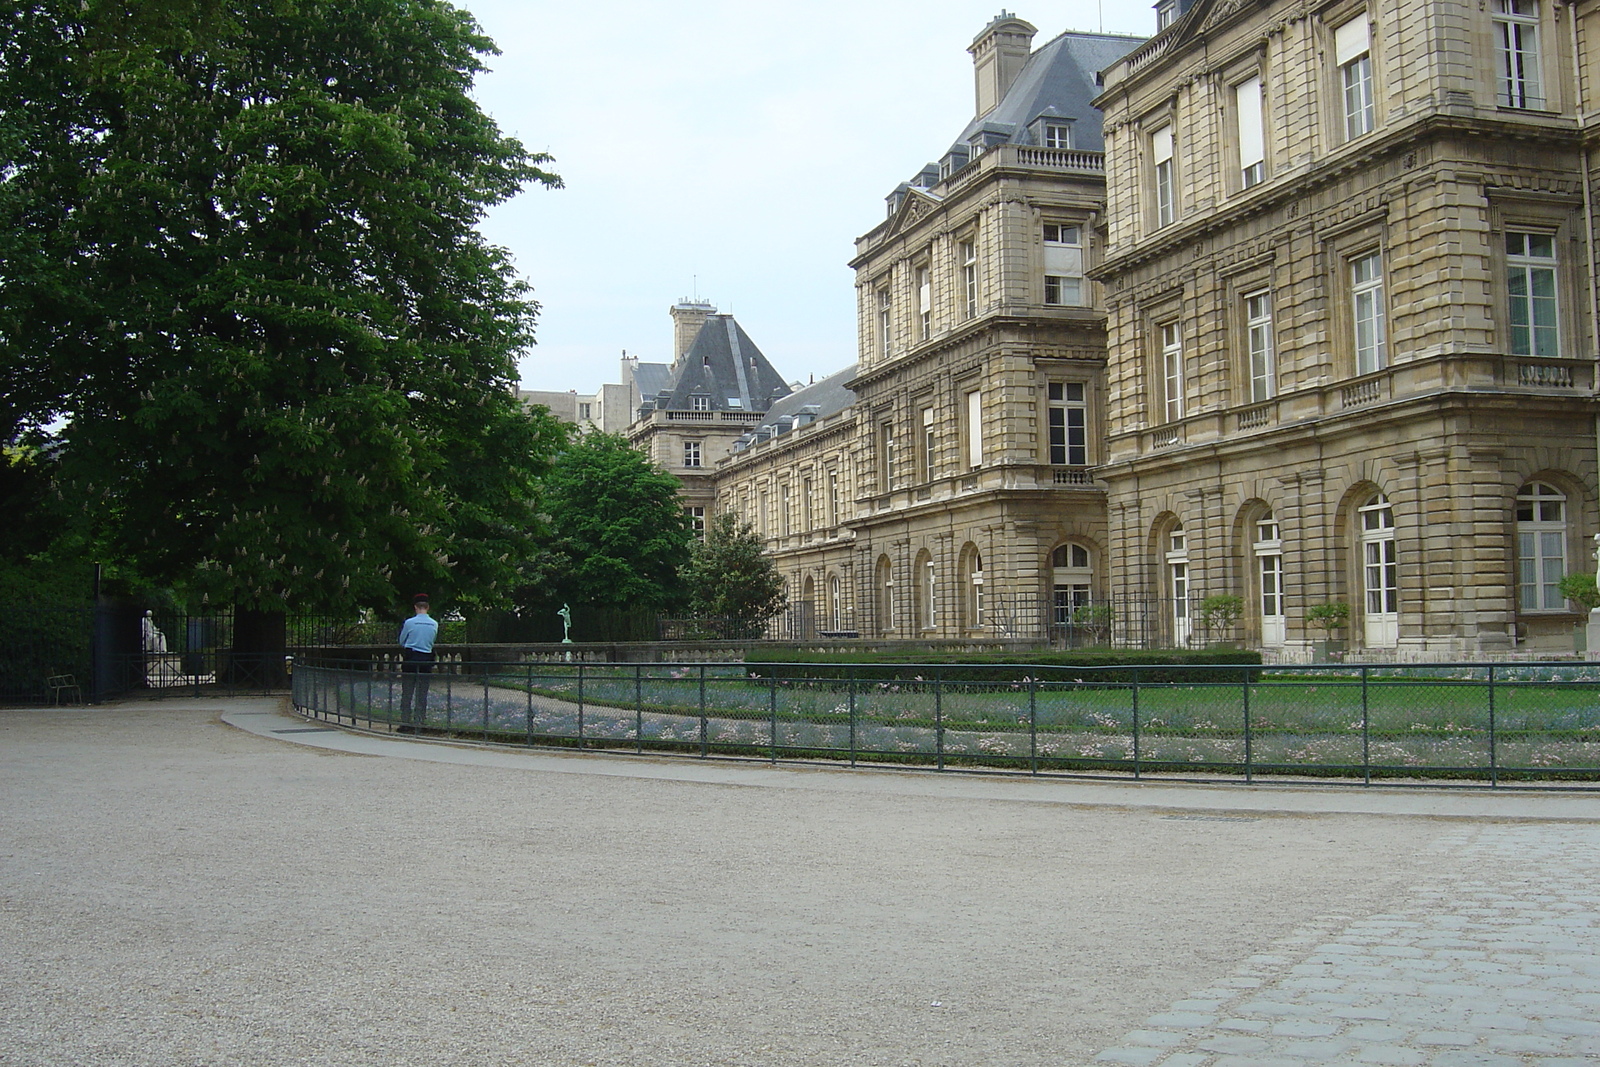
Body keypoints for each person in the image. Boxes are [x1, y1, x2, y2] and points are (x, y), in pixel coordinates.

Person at [397, 594, 439, 732]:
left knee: (407, 692)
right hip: (426, 659)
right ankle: (420, 722)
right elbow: (431, 641)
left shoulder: (409, 622)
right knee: (422, 693)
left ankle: (405, 723)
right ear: (428, 607)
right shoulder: (434, 623)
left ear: (415, 607)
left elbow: (402, 641)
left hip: (411, 658)